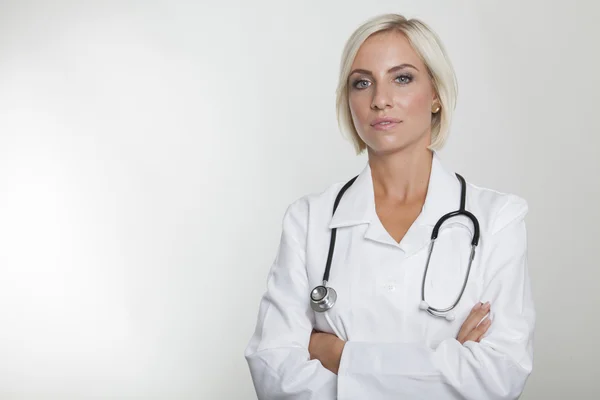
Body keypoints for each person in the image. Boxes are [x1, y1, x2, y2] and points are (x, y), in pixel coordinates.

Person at [244, 13, 535, 400]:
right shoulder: (309, 220)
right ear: (348, 101)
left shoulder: (497, 219)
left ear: (435, 94)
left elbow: (499, 377)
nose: (380, 100)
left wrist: (340, 355)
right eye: (362, 83)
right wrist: (448, 362)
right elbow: (273, 372)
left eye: (402, 78)